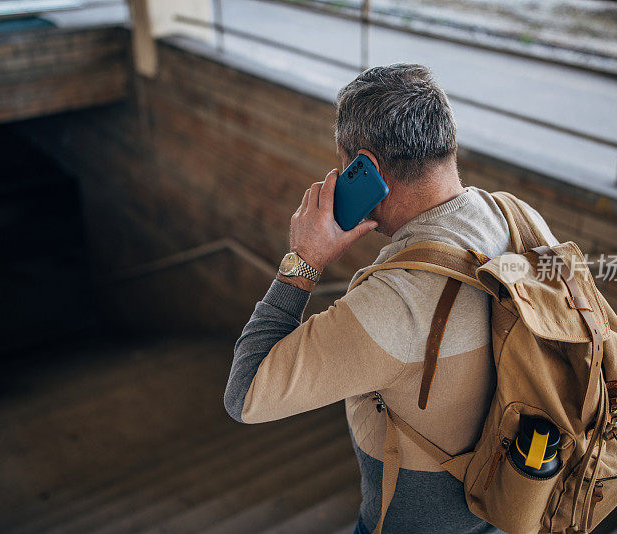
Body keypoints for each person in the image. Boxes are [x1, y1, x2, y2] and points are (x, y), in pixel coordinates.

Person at [224, 63, 557, 534]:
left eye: (345, 165)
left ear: (368, 169)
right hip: (522, 504)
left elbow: (245, 395)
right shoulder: (520, 219)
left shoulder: (393, 302)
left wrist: (304, 260)